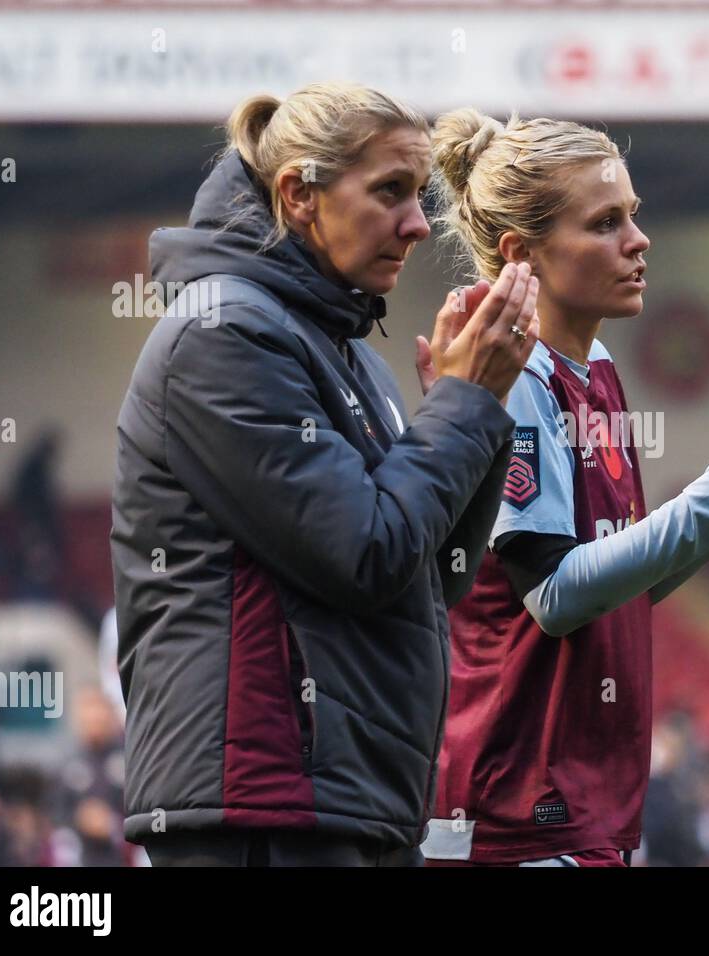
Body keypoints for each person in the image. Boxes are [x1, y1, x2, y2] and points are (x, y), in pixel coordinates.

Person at [111, 83, 538, 867]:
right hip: (263, 806)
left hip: (342, 800)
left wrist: (469, 411)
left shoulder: (344, 352)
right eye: (390, 192)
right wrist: (464, 406)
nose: (418, 224)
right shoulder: (224, 334)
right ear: (300, 195)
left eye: (420, 195)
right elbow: (364, 554)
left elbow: (427, 577)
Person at [420, 109, 709, 866]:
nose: (638, 240)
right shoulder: (518, 376)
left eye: (634, 216)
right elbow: (554, 596)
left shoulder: (598, 371)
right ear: (523, 253)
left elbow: (624, 585)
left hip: (586, 807)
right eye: (606, 222)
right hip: (518, 810)